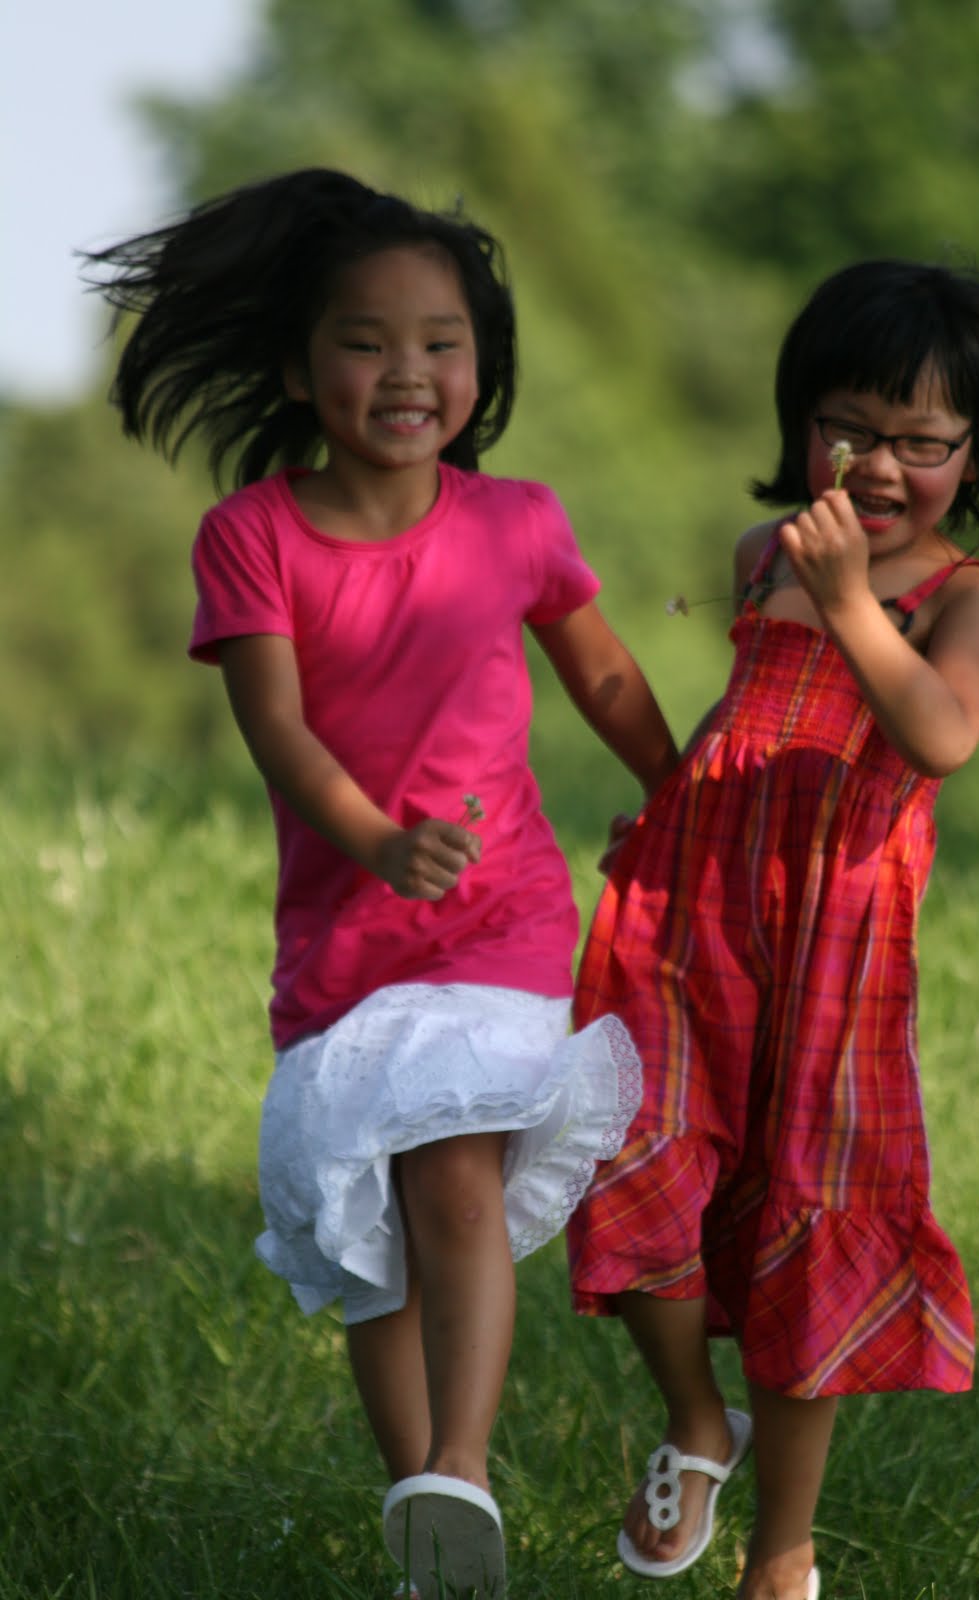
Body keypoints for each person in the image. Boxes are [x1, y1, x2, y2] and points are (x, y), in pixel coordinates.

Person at [82, 167, 677, 1600]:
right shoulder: (254, 537)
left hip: (505, 919)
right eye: (365, 341)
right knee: (372, 1244)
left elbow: (597, 669)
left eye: (441, 340)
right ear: (297, 366)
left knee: (454, 1174)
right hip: (348, 949)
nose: (407, 371)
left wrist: (679, 796)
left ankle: (458, 1464)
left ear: (481, 363)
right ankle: (430, 1526)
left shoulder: (519, 521)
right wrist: (374, 843)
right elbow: (279, 730)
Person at [566, 258, 979, 1600]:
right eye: (853, 427)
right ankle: (690, 1417)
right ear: (804, 426)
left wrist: (852, 600)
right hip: (693, 922)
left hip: (838, 949)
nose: (884, 464)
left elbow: (940, 734)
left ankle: (781, 1557)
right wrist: (675, 817)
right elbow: (749, 727)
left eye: (925, 441)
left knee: (807, 1220)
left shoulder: (962, 597)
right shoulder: (758, 558)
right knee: (634, 1152)